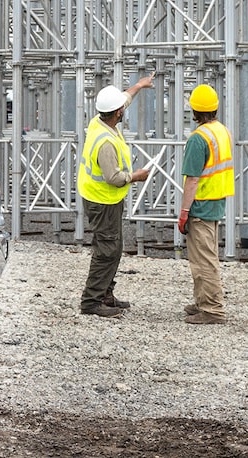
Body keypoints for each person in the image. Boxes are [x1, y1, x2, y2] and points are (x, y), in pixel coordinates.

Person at [77, 75, 153, 318]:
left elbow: (125, 99)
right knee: (107, 250)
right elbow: (113, 177)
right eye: (122, 107)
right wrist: (136, 176)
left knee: (113, 247)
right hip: (103, 200)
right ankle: (92, 301)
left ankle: (105, 294)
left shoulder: (100, 122)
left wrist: (140, 85)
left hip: (103, 198)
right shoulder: (106, 142)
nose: (124, 107)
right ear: (118, 113)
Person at [176, 83, 233, 325]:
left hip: (201, 205)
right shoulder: (222, 131)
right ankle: (202, 301)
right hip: (217, 201)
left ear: (194, 111)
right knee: (204, 256)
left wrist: (184, 212)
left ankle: (212, 310)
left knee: (204, 260)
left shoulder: (198, 139)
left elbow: (192, 180)